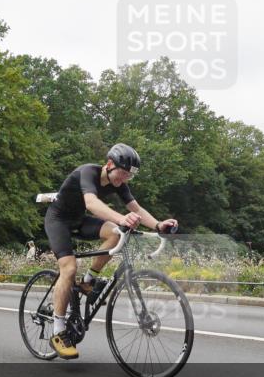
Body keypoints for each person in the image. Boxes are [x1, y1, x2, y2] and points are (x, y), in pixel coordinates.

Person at [43, 144, 178, 359]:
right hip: (58, 220)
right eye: (122, 174)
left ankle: (88, 280)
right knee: (68, 269)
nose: (123, 180)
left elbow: (137, 209)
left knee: (115, 234)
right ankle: (58, 331)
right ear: (109, 165)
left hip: (79, 220)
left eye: (128, 177)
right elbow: (92, 203)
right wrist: (121, 219)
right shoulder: (87, 172)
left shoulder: (119, 183)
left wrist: (158, 225)